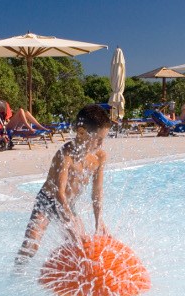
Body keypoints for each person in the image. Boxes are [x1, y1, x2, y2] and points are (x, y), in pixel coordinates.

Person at [15, 104, 112, 263]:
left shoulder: (99, 157)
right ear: (81, 132)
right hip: (47, 201)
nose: (100, 144)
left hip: (68, 204)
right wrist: (70, 222)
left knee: (81, 244)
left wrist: (99, 220)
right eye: (98, 139)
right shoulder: (65, 154)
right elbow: (59, 193)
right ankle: (16, 274)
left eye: (103, 139)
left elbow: (97, 192)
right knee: (30, 246)